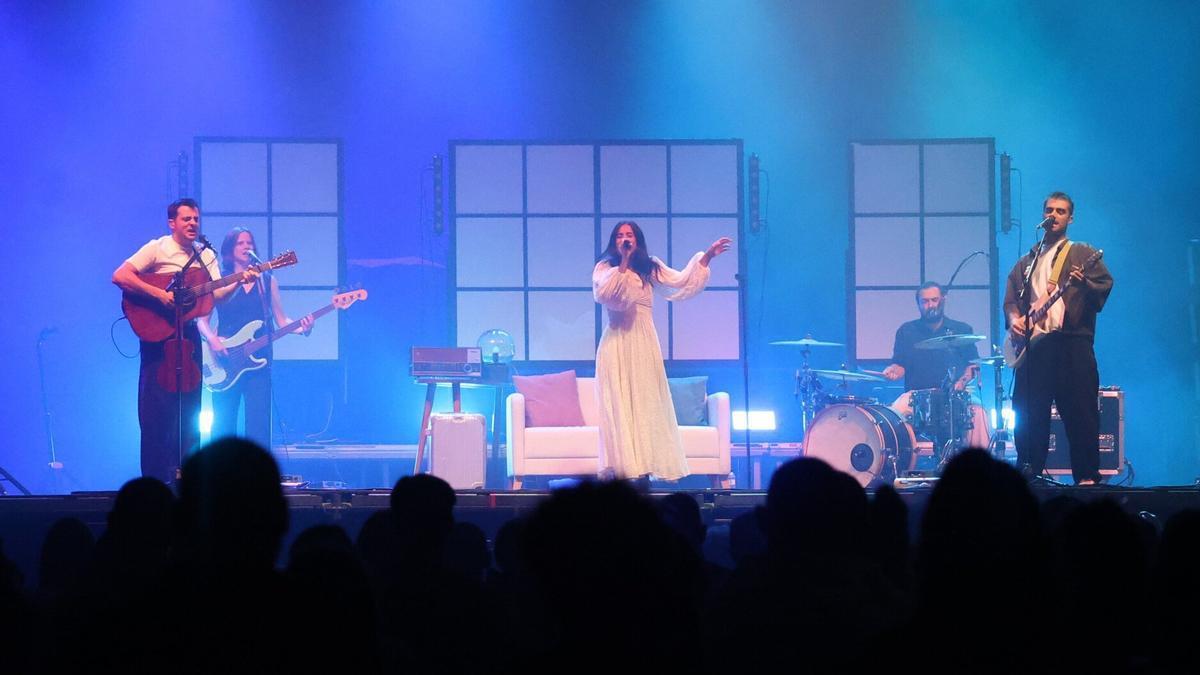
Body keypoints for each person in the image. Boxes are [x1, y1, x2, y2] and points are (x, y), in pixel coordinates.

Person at [112, 199, 255, 483]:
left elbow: (215, 295)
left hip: (188, 335)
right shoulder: (157, 248)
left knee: (190, 407)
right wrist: (159, 296)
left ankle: (188, 474)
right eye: (186, 219)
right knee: (156, 407)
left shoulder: (207, 256)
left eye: (196, 219)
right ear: (172, 223)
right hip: (159, 335)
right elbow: (121, 275)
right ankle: (154, 478)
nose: (192, 224)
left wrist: (240, 280)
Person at [592, 221, 732, 480]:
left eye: (630, 235)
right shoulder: (605, 268)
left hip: (643, 342)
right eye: (620, 236)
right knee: (619, 406)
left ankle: (644, 469)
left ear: (638, 239)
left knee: (646, 402)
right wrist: (622, 262)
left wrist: (708, 256)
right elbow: (611, 297)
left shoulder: (649, 266)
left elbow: (679, 280)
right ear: (615, 241)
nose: (625, 239)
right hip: (616, 342)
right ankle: (623, 471)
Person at [1004, 191, 1112, 485]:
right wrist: (1015, 322)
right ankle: (1029, 473)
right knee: (1028, 412)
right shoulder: (1027, 261)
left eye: (1061, 211)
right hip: (1034, 346)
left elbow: (1104, 285)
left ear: (1070, 218)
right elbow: (1011, 299)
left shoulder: (1080, 252)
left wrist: (1084, 282)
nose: (1054, 215)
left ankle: (1087, 477)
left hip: (1071, 342)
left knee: (1080, 411)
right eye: (1050, 210)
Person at [197, 227, 312, 448]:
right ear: (229, 251)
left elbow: (281, 320)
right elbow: (202, 320)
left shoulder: (267, 281)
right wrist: (213, 339)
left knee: (259, 427)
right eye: (240, 243)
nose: (246, 246)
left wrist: (303, 328)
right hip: (226, 360)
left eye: (249, 242)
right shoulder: (220, 279)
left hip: (258, 361)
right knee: (223, 425)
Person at [882, 281, 990, 449]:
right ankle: (899, 467)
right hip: (917, 397)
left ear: (943, 299)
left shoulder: (961, 329)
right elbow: (900, 364)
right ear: (918, 303)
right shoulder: (907, 331)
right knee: (893, 417)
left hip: (955, 396)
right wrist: (893, 371)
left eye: (934, 300)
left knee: (979, 414)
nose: (930, 305)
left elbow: (973, 366)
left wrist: (961, 382)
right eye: (925, 301)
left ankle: (980, 469)